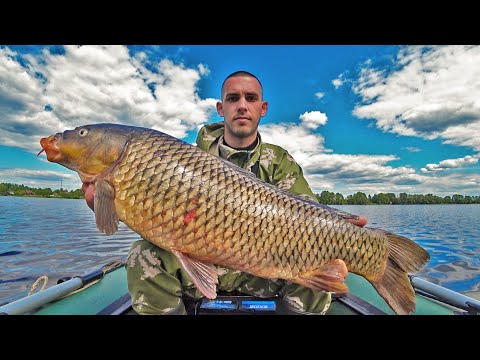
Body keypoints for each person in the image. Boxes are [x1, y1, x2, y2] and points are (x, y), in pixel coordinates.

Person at [84, 70, 367, 314]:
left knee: (316, 276)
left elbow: (306, 217)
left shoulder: (279, 161)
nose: (241, 105)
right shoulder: (186, 161)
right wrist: (108, 206)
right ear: (221, 108)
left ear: (263, 108)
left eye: (250, 98)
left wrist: (338, 228)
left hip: (267, 266)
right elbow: (156, 217)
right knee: (141, 256)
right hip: (206, 263)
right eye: (233, 98)